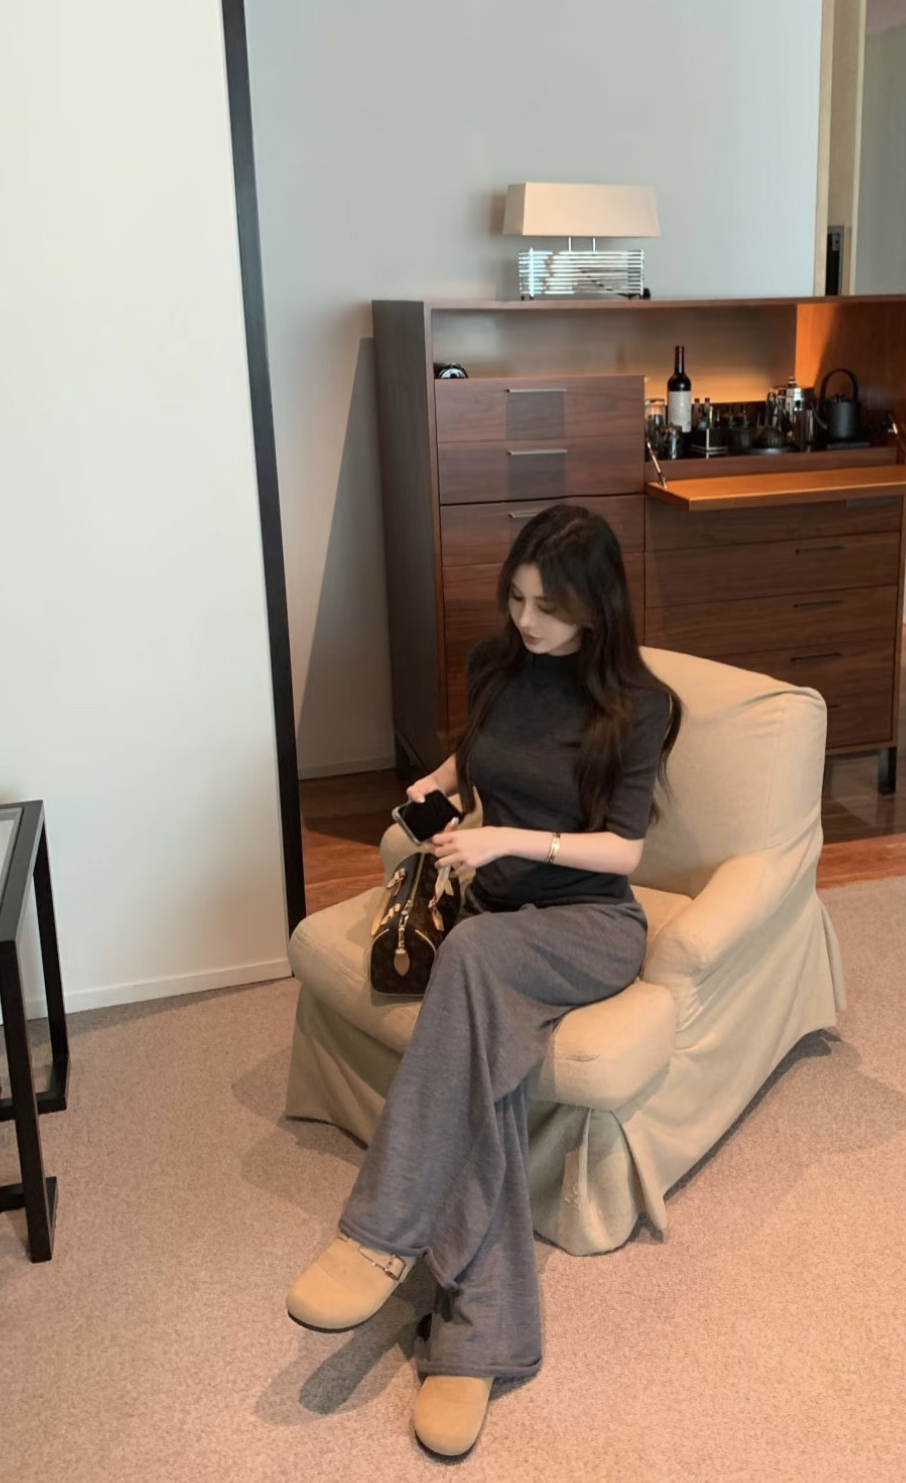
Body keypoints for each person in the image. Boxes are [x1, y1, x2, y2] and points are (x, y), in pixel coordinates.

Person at [286, 503, 681, 1457]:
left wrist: (510, 837)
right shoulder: (493, 665)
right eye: (516, 599)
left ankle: (381, 1236)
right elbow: (483, 754)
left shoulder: (643, 703)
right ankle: (479, 1340)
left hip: (588, 928)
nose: (527, 622)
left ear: (597, 605)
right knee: (489, 1080)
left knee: (469, 960)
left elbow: (625, 852)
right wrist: (440, 783)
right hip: (496, 920)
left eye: (549, 607)